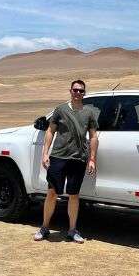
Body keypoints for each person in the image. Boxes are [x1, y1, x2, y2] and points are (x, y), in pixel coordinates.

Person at [34, 79, 98, 243]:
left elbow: (93, 136)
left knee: (74, 195)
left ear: (84, 93)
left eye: (81, 91)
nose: (78, 93)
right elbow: (50, 131)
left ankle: (72, 230)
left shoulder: (89, 112)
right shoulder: (60, 110)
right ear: (70, 91)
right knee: (52, 192)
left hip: (78, 158)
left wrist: (91, 158)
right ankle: (44, 227)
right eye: (75, 90)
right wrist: (45, 153)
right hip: (58, 157)